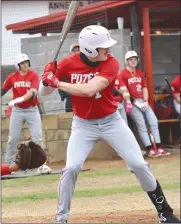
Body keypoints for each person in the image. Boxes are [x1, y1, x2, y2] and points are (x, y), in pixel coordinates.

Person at [39, 25, 179, 223]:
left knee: (138, 164)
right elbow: (43, 94)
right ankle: (60, 219)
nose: (108, 50)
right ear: (90, 50)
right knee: (71, 168)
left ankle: (165, 212)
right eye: (103, 47)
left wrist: (57, 82)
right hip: (83, 125)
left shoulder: (111, 63)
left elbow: (89, 89)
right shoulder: (68, 64)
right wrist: (45, 81)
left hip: (111, 121)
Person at [1, 53, 52, 175]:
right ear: (18, 65)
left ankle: (42, 165)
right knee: (12, 139)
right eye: (22, 63)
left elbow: (33, 93)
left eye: (26, 62)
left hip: (32, 110)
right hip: (17, 111)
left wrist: (19, 99)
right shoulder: (12, 77)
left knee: (37, 138)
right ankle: (8, 166)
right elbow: (3, 90)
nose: (25, 65)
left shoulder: (33, 75)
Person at [118, 50, 171, 158]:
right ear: (126, 61)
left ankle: (159, 146)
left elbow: (144, 88)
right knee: (141, 123)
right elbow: (123, 90)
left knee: (153, 121)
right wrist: (133, 102)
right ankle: (149, 148)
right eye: (130, 60)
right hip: (131, 102)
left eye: (135, 59)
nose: (133, 61)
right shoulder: (122, 73)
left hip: (142, 100)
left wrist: (146, 101)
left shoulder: (140, 73)